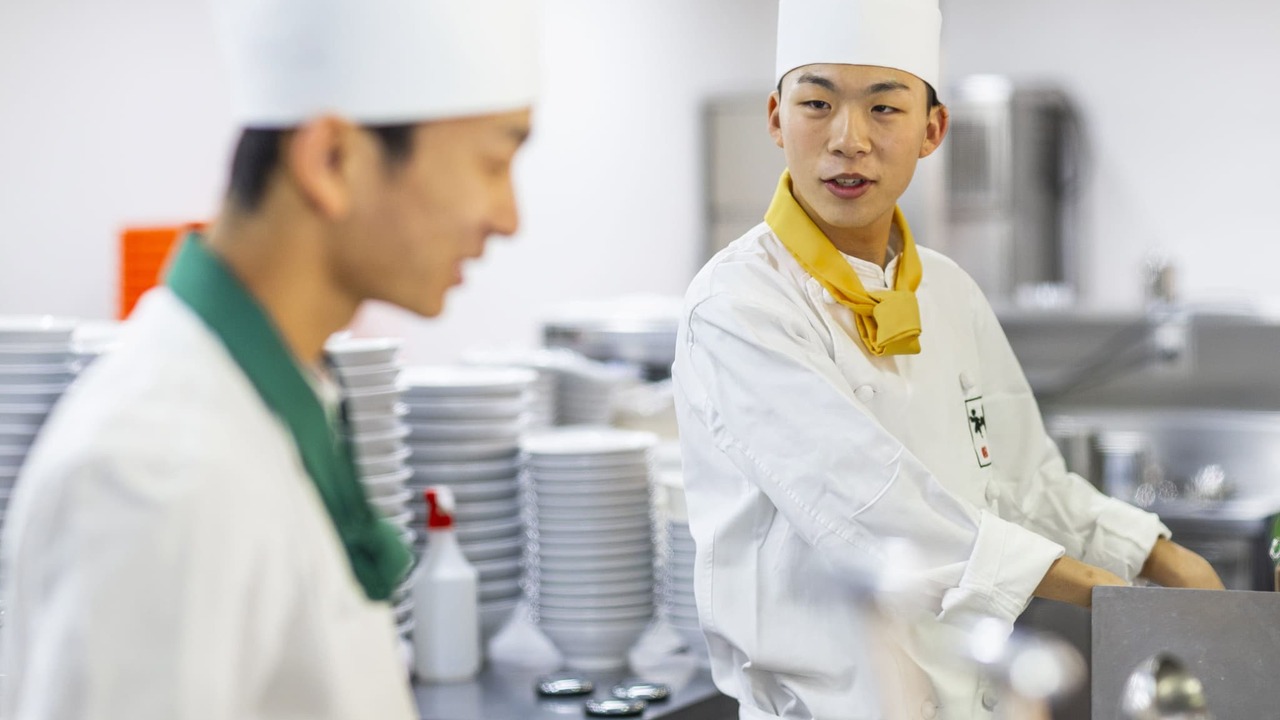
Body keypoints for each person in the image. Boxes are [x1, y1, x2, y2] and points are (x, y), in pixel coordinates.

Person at [670, 0, 1223, 717]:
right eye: (817, 103)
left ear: (932, 129)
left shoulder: (948, 290)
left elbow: (1025, 482)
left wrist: (1160, 555)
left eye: (884, 107)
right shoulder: (738, 303)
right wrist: (1101, 590)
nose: (848, 140)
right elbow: (879, 510)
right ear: (776, 118)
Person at [0, 0, 538, 717]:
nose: (508, 217)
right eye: (493, 163)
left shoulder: (277, 397)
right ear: (330, 160)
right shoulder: (157, 474)